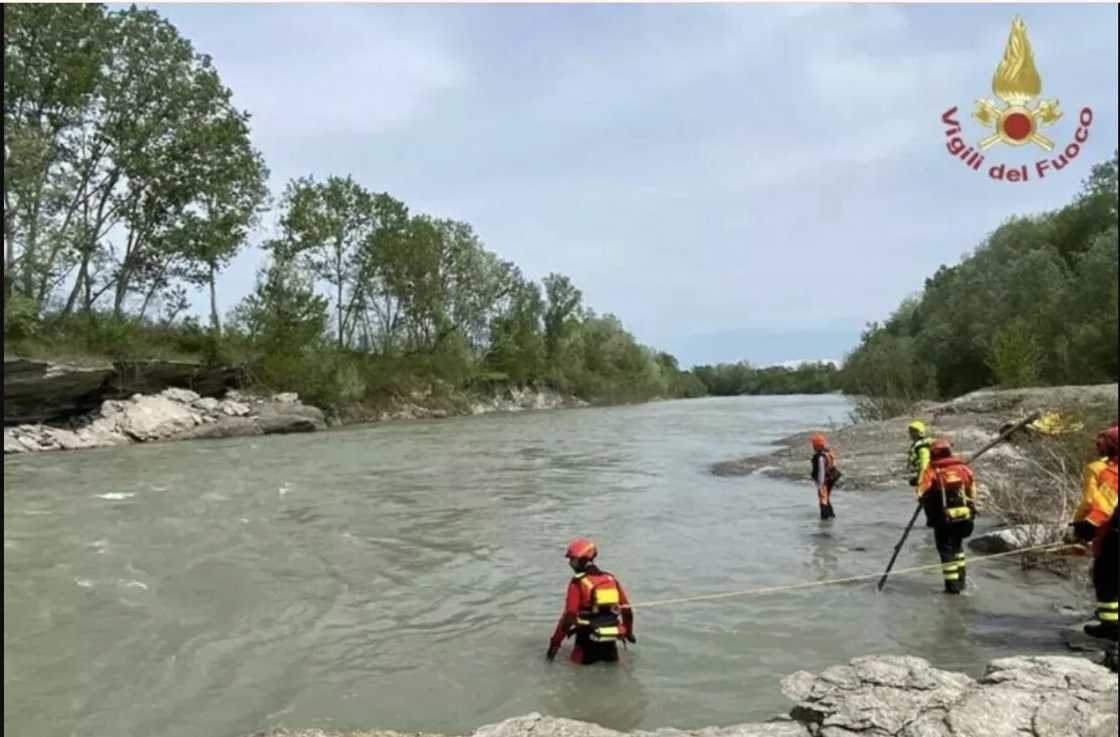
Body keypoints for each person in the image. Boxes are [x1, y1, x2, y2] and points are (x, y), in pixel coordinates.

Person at [547, 537, 635, 664]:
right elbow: (627, 610)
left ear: (581, 560)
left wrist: (554, 645)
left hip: (585, 646)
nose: (570, 563)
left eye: (572, 559)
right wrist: (629, 632)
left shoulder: (577, 582)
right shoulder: (611, 579)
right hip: (610, 646)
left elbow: (568, 617)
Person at [1070, 426, 1118, 640]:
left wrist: (1083, 526)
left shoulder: (1104, 470)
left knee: (1105, 577)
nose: (1098, 446)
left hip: (1112, 531)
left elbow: (1097, 504)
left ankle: (1110, 627)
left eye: (1102, 443)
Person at [916, 439, 976, 594]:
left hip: (942, 519)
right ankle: (961, 583)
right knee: (958, 548)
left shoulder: (931, 471)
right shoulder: (962, 468)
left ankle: (952, 589)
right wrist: (972, 505)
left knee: (946, 551)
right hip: (964, 516)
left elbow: (920, 492)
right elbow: (972, 488)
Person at [809, 434, 840, 520]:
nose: (813, 446)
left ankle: (825, 520)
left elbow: (821, 472)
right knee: (826, 497)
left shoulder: (820, 457)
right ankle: (831, 515)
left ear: (817, 445)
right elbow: (833, 465)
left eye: (814, 444)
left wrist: (821, 485)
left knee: (822, 499)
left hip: (825, 479)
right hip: (831, 477)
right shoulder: (827, 453)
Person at [907, 420, 933, 488]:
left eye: (913, 431)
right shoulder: (918, 445)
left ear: (920, 432)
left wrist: (920, 480)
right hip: (924, 472)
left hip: (928, 474)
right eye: (910, 431)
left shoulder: (922, 447)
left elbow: (924, 465)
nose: (911, 434)